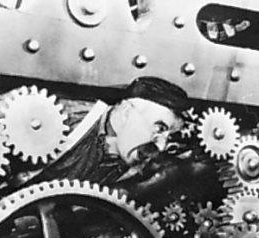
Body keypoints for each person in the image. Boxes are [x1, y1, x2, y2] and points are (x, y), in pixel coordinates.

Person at [24, 76, 188, 187]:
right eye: (159, 128)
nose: (161, 145)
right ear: (125, 114)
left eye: (168, 137)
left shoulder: (131, 165)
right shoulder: (69, 118)